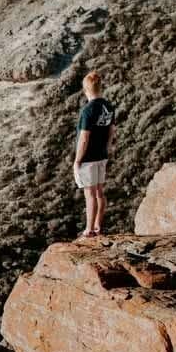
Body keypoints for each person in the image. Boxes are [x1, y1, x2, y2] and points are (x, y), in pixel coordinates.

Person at [73, 71, 115, 237]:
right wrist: (107, 148)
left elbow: (84, 138)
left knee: (89, 194)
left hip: (88, 158)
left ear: (85, 90)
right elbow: (112, 131)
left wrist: (77, 160)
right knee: (99, 192)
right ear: (100, 87)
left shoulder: (87, 110)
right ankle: (98, 226)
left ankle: (89, 230)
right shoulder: (108, 106)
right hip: (101, 155)